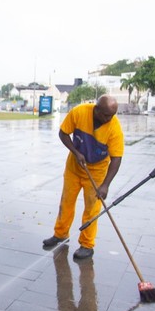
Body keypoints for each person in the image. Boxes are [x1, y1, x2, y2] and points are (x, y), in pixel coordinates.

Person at [42, 95, 124, 260]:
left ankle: (87, 245)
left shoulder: (114, 128)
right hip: (74, 166)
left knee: (92, 209)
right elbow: (63, 133)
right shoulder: (79, 112)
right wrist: (76, 152)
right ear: (97, 109)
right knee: (66, 202)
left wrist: (105, 185)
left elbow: (117, 159)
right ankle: (60, 234)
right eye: (107, 115)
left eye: (113, 115)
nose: (110, 118)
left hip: (97, 171)